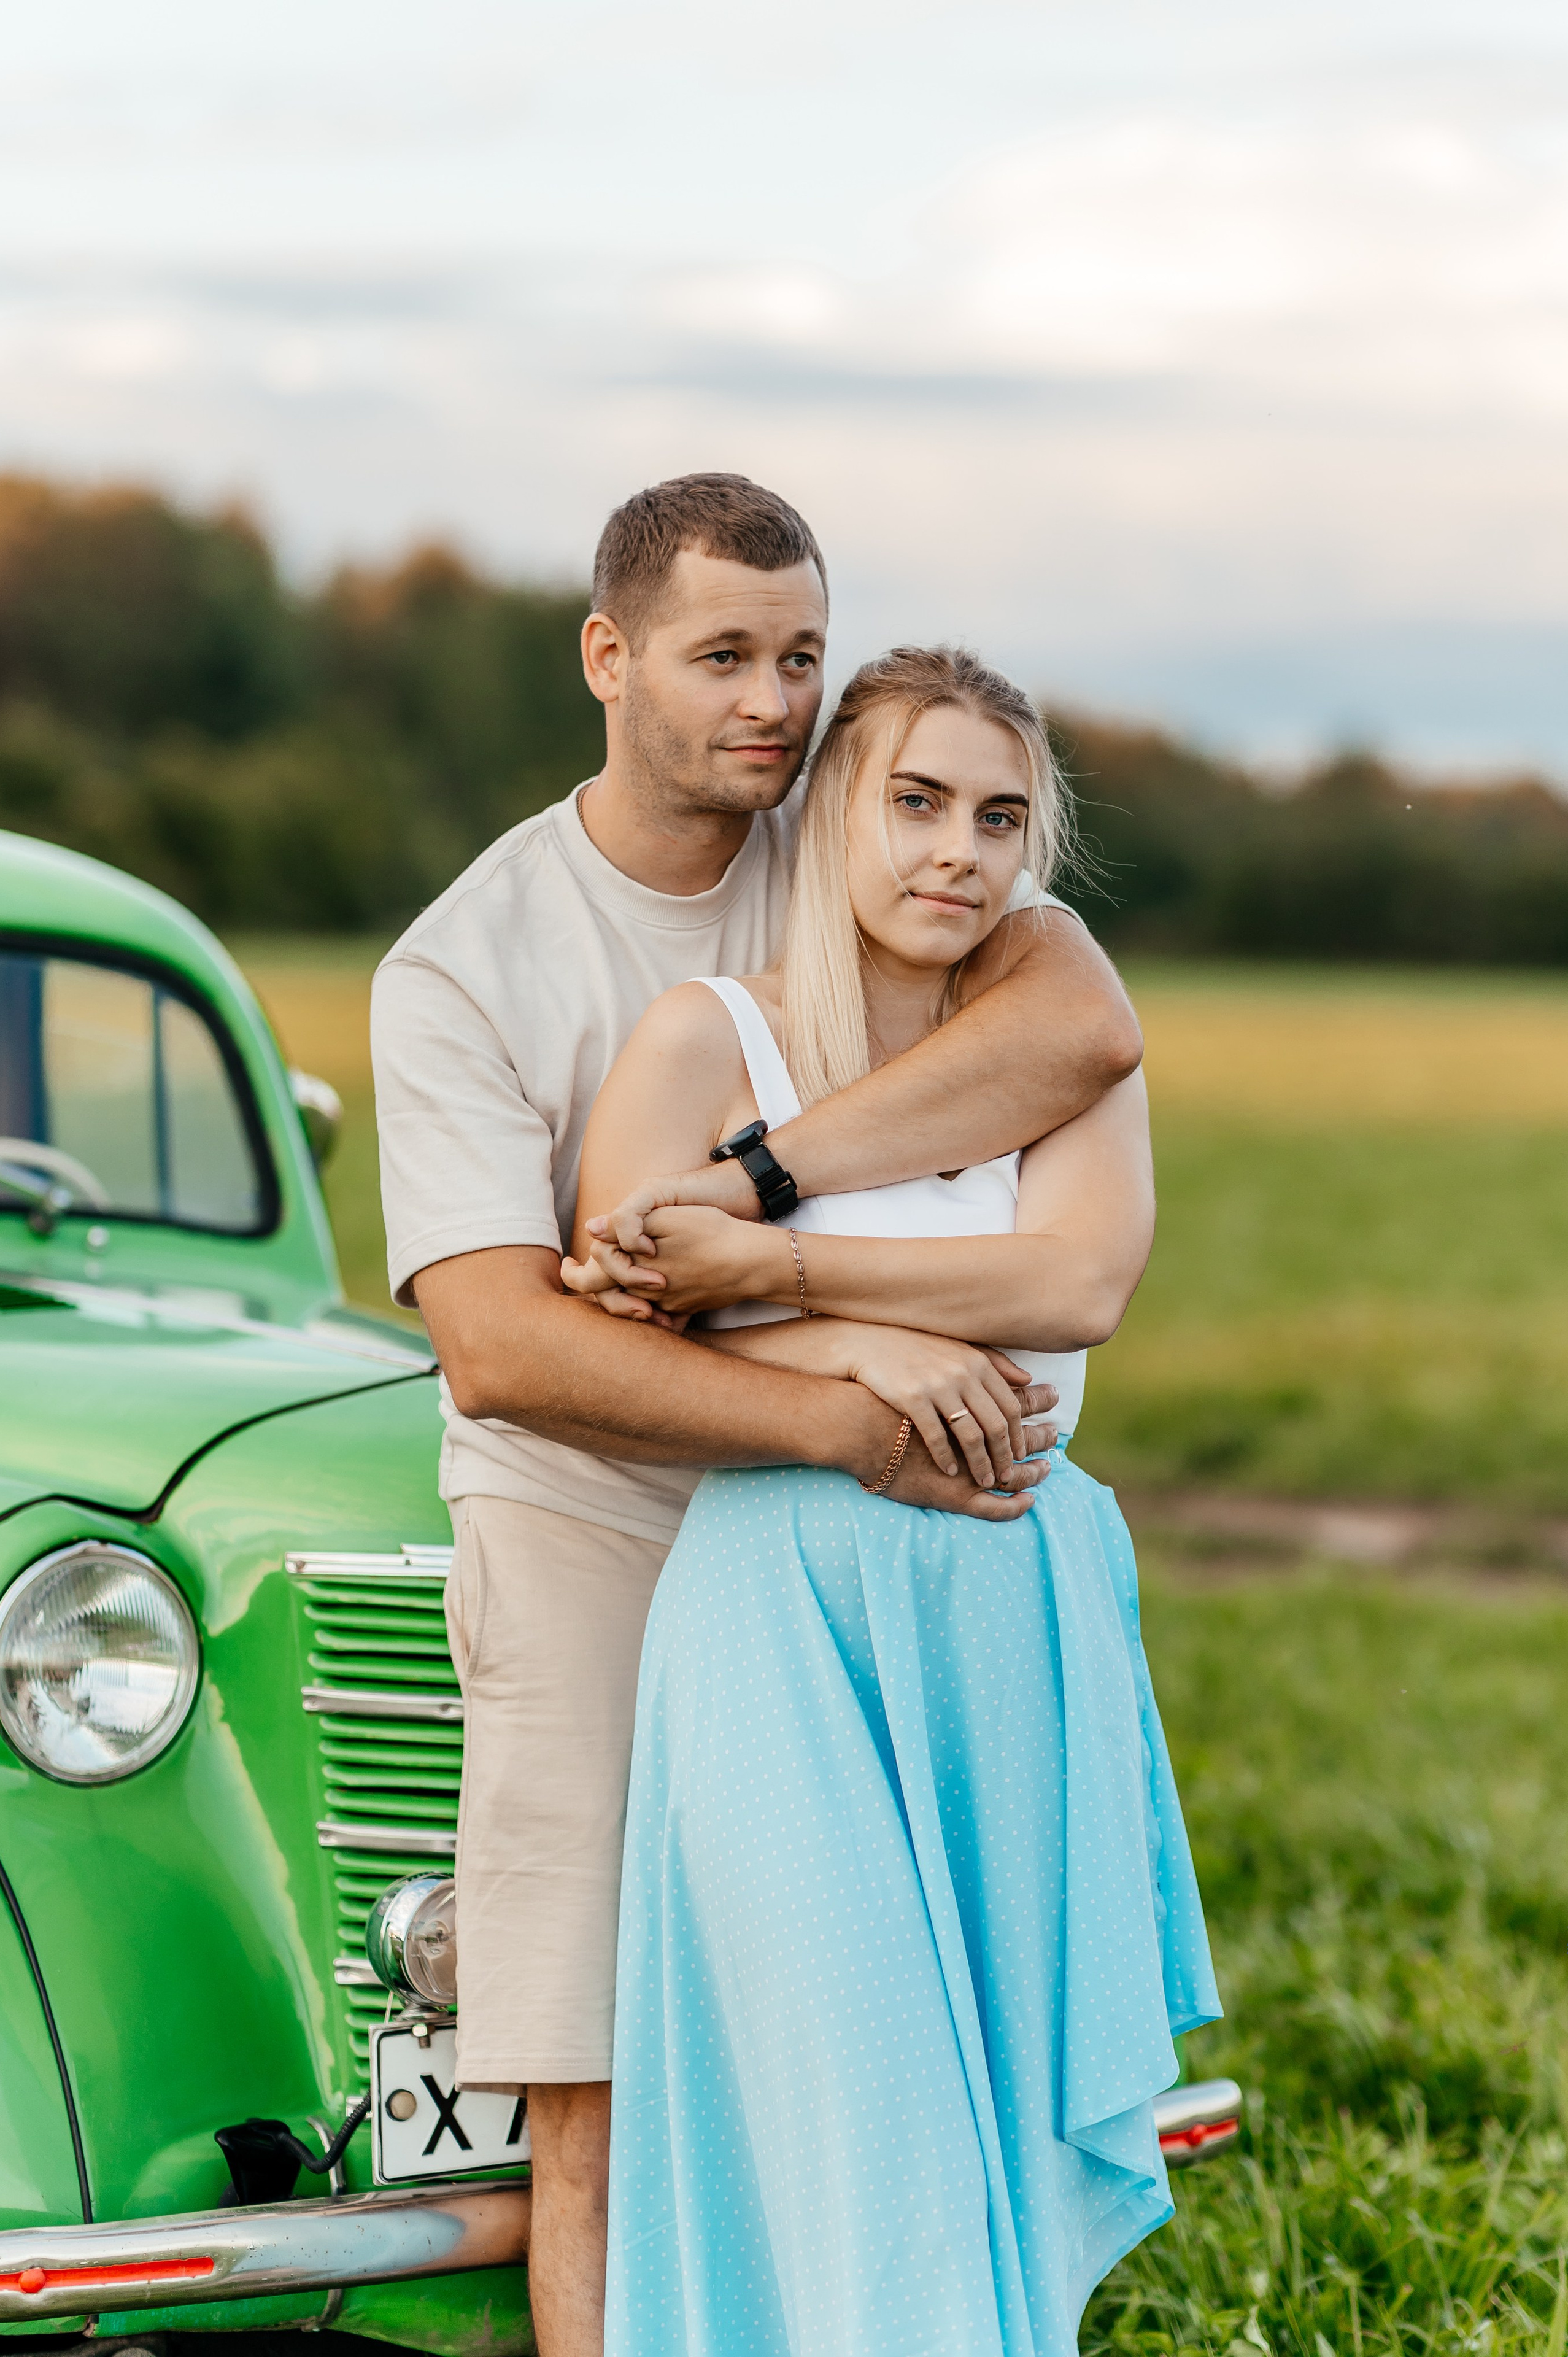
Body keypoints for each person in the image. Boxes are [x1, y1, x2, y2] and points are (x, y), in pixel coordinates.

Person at [371, 476, 1144, 2357]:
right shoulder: (464, 964)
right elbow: (511, 1345)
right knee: (599, 2077)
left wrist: (771, 1197)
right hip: (591, 1521)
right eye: (724, 657)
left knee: (892, 2028)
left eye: (802, 657)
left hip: (849, 1552)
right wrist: (849, 1400)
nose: (773, 702)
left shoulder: (858, 833)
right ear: (606, 659)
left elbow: (1074, 1022)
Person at [564, 646, 1220, 2357]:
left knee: (987, 2107)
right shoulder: (704, 1038)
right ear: (830, 813)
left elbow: (1077, 1282)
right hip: (784, 1613)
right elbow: (629, 1275)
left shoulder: (1064, 1051)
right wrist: (863, 1343)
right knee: (854, 2114)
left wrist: (786, 1270)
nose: (959, 852)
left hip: (1017, 1602)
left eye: (1001, 818)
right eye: (916, 803)